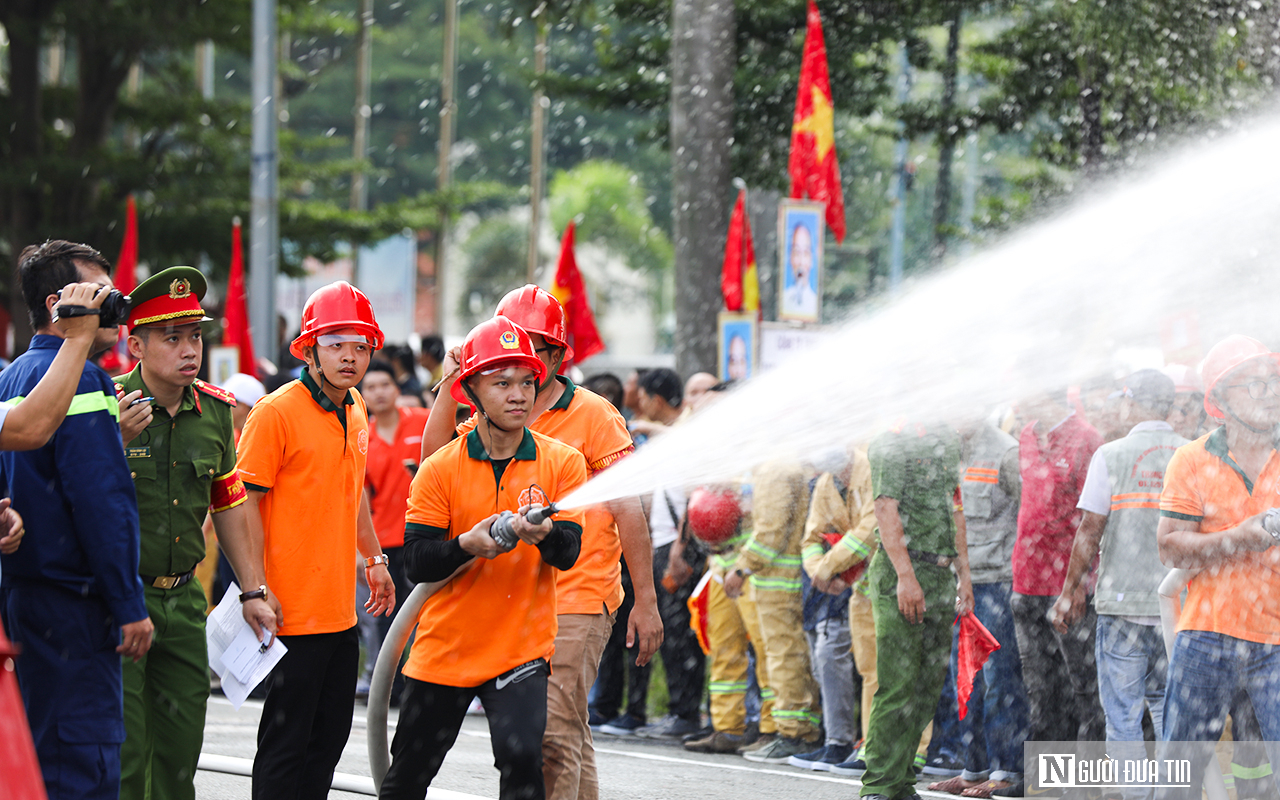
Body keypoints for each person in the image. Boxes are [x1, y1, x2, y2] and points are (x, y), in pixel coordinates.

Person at [422, 285, 662, 800]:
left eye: (535, 347)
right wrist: (449, 383)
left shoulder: (594, 415)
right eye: (510, 347)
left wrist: (646, 600)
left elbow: (629, 508)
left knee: (551, 735)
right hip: (515, 601)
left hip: (578, 594)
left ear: (556, 355)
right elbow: (434, 459)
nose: (521, 362)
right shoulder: (495, 406)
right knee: (566, 731)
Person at [379, 316, 587, 800]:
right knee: (408, 774)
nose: (518, 394)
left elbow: (569, 554)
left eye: (527, 382)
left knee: (521, 765)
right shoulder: (440, 467)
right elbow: (416, 562)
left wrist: (545, 534)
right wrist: (465, 546)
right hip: (444, 649)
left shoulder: (562, 462)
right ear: (471, 389)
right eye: (502, 383)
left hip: (520, 649)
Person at [114, 266, 279, 800]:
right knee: (126, 754)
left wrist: (252, 590)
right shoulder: (103, 403)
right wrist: (110, 442)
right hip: (118, 598)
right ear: (135, 344)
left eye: (195, 337)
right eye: (172, 338)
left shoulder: (214, 411)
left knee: (181, 751)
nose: (190, 350)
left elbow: (229, 503)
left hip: (184, 600)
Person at [0, 240, 153, 800]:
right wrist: (127, 603)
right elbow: (99, 501)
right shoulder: (83, 381)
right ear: (55, 304)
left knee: (36, 761)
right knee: (80, 764)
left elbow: (35, 477)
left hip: (24, 599)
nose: (113, 305)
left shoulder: (15, 374)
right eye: (98, 294)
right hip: (72, 605)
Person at [236, 281, 397, 800]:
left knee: (327, 744)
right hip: (288, 613)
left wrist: (374, 558)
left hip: (340, 614)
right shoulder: (276, 412)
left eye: (360, 345)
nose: (350, 357)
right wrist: (255, 589)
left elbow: (354, 495)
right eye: (335, 343)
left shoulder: (355, 407)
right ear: (309, 349)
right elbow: (243, 505)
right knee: (286, 748)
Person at [1048, 369, 1183, 800]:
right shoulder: (1191, 454)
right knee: (1167, 707)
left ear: (1132, 402)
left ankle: (1136, 794)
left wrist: (1070, 592)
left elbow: (1089, 528)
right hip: (1175, 604)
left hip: (1122, 602)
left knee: (1122, 714)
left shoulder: (1111, 455)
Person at [1158, 336, 1280, 794]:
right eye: (1255, 385)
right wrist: (1238, 539)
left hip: (1277, 642)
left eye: (1274, 382)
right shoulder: (1192, 460)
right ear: (1221, 401)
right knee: (1180, 773)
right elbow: (1169, 547)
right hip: (1207, 637)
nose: (1270, 393)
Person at [857, 422, 973, 800]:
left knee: (928, 685)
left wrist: (964, 576)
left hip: (940, 572)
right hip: (902, 571)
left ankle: (902, 778)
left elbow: (954, 508)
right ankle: (879, 784)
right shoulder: (891, 440)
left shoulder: (947, 438)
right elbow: (885, 508)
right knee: (898, 683)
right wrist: (906, 577)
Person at [927, 418, 1028, 798]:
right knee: (965, 682)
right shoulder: (946, 451)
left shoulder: (1005, 452)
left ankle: (1006, 772)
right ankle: (974, 770)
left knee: (1000, 682)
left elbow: (1027, 516)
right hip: (961, 583)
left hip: (998, 583)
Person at [1007, 389, 1105, 760]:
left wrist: (1078, 582)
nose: (1017, 400)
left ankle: (1086, 780)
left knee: (1082, 688)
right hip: (1026, 581)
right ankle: (1046, 781)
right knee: (1040, 688)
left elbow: (1093, 521)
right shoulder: (1027, 436)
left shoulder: (1087, 439)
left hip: (1068, 586)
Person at [726, 459, 821, 763]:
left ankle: (795, 733)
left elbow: (770, 532)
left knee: (785, 656)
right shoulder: (785, 466)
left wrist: (741, 568)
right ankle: (800, 726)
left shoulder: (775, 469)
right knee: (789, 655)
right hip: (786, 580)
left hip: (778, 582)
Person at [792, 444, 877, 772]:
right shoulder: (828, 482)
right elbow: (810, 538)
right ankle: (863, 749)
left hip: (873, 583)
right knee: (870, 673)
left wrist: (828, 567)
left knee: (879, 673)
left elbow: (870, 531)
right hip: (858, 587)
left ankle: (874, 750)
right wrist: (820, 573)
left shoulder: (870, 469)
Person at [358, 360, 430, 699]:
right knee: (389, 614)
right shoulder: (363, 437)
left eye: (384, 384)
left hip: (424, 534)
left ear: (397, 389)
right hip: (385, 541)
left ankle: (425, 681)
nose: (379, 392)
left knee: (428, 612)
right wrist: (364, 553)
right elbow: (362, 500)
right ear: (364, 395)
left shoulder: (421, 421)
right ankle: (393, 686)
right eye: (370, 387)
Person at [782, 222, 818, 318]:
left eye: (805, 253)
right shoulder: (782, 300)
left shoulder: (815, 303)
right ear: (790, 257)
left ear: (811, 259)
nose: (801, 262)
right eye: (797, 252)